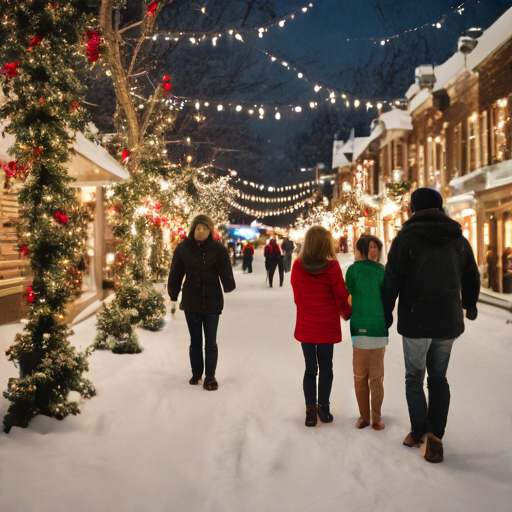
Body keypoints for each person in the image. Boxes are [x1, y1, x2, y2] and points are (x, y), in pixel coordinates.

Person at [382, 188, 480, 463]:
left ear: (413, 209)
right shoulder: (458, 239)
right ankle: (435, 437)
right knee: (438, 379)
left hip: (415, 320)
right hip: (447, 320)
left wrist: (386, 312)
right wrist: (469, 304)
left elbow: (392, 279)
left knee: (414, 377)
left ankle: (418, 432)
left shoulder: (405, 238)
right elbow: (471, 274)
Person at [291, 225, 352, 427]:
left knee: (310, 369)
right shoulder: (332, 267)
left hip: (307, 325)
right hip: (326, 326)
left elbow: (298, 297)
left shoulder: (298, 267)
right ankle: (323, 408)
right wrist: (347, 313)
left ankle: (310, 411)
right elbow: (341, 296)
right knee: (326, 368)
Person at [168, 214, 236, 390]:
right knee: (195, 340)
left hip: (213, 303)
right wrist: (173, 293)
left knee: (211, 341)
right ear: (193, 229)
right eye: (198, 228)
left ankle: (210, 377)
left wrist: (228, 284)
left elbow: (225, 269)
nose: (201, 231)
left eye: (204, 228)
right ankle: (196, 372)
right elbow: (176, 272)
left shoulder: (218, 248)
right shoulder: (183, 248)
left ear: (210, 230)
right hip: (192, 302)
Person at [345, 235, 387, 431]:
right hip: (379, 329)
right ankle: (376, 419)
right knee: (376, 378)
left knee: (361, 377)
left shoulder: (353, 270)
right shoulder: (382, 271)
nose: (375, 250)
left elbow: (348, 295)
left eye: (377, 247)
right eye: (371, 247)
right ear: (364, 248)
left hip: (360, 330)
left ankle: (365, 418)